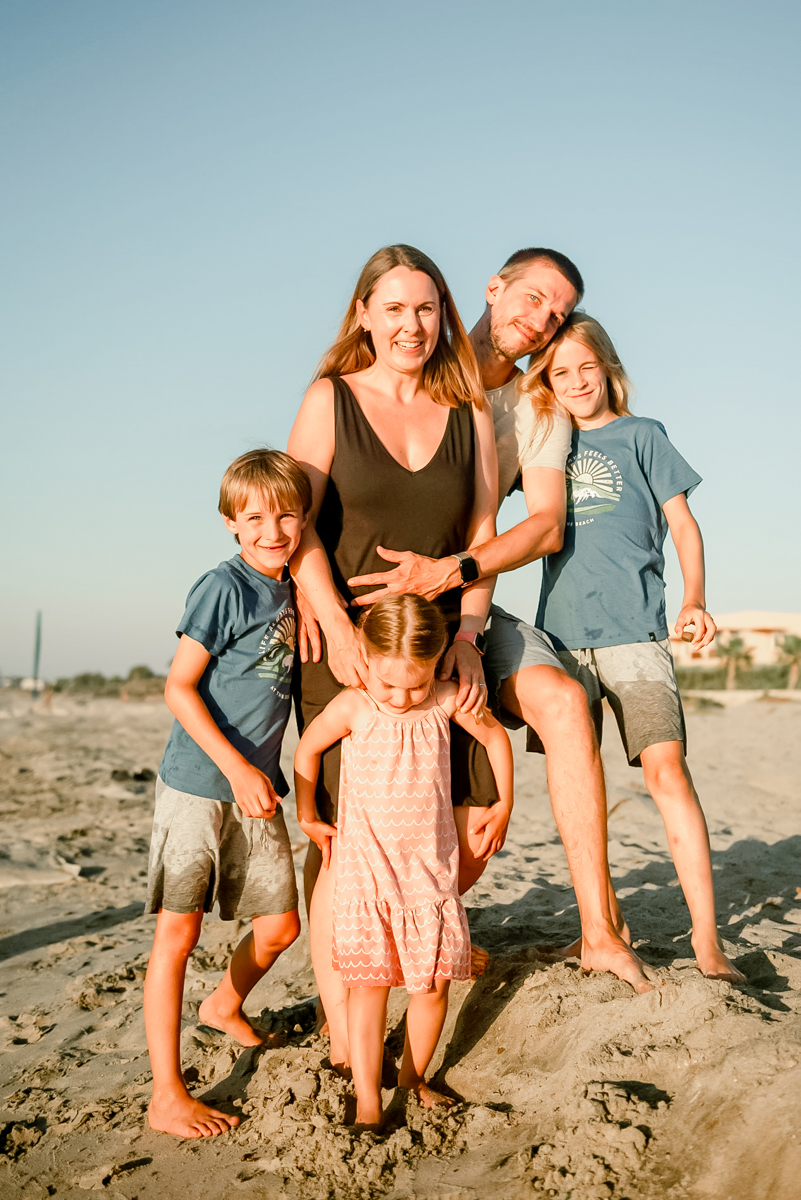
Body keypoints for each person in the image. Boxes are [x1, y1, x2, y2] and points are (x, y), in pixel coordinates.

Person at [342, 248, 650, 990]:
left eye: (556, 311)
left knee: (563, 701)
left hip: (466, 593)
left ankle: (599, 934)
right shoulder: (409, 352)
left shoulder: (536, 405)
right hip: (371, 608)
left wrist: (465, 612)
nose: (541, 319)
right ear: (493, 288)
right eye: (533, 296)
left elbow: (542, 524)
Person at [287, 243, 510, 1074]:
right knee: (346, 844)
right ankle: (346, 1036)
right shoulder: (330, 399)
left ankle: (420, 961)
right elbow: (295, 521)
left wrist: (466, 637)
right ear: (363, 316)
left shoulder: (470, 409)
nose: (411, 325)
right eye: (393, 308)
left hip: (439, 655)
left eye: (426, 309)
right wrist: (337, 628)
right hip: (346, 655)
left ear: (443, 318)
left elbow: (481, 538)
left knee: (458, 830)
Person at [525, 312, 744, 983]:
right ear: (547, 384)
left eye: (585, 367)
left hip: (636, 636)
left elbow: (683, 525)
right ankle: (603, 925)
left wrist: (694, 598)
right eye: (560, 373)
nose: (575, 381)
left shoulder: (642, 436)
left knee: (666, 773)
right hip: (560, 642)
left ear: (609, 368)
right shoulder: (543, 445)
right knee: (578, 786)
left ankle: (707, 943)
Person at [294, 594, 514, 1129]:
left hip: (428, 878)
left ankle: (414, 1078)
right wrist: (306, 812)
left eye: (413, 684)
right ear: (365, 661)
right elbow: (307, 749)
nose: (399, 696)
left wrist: (505, 801)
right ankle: (368, 1099)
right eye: (388, 683)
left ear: (438, 663)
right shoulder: (355, 704)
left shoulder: (441, 700)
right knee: (369, 990)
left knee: (431, 988)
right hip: (368, 877)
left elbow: (495, 736)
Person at [142, 449, 311, 1138]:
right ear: (230, 525)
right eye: (254, 518)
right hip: (198, 787)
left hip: (255, 792)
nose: (272, 529)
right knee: (175, 935)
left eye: (287, 514)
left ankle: (222, 1004)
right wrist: (239, 769)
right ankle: (166, 1094)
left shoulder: (300, 591)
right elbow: (178, 687)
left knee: (280, 926)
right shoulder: (224, 587)